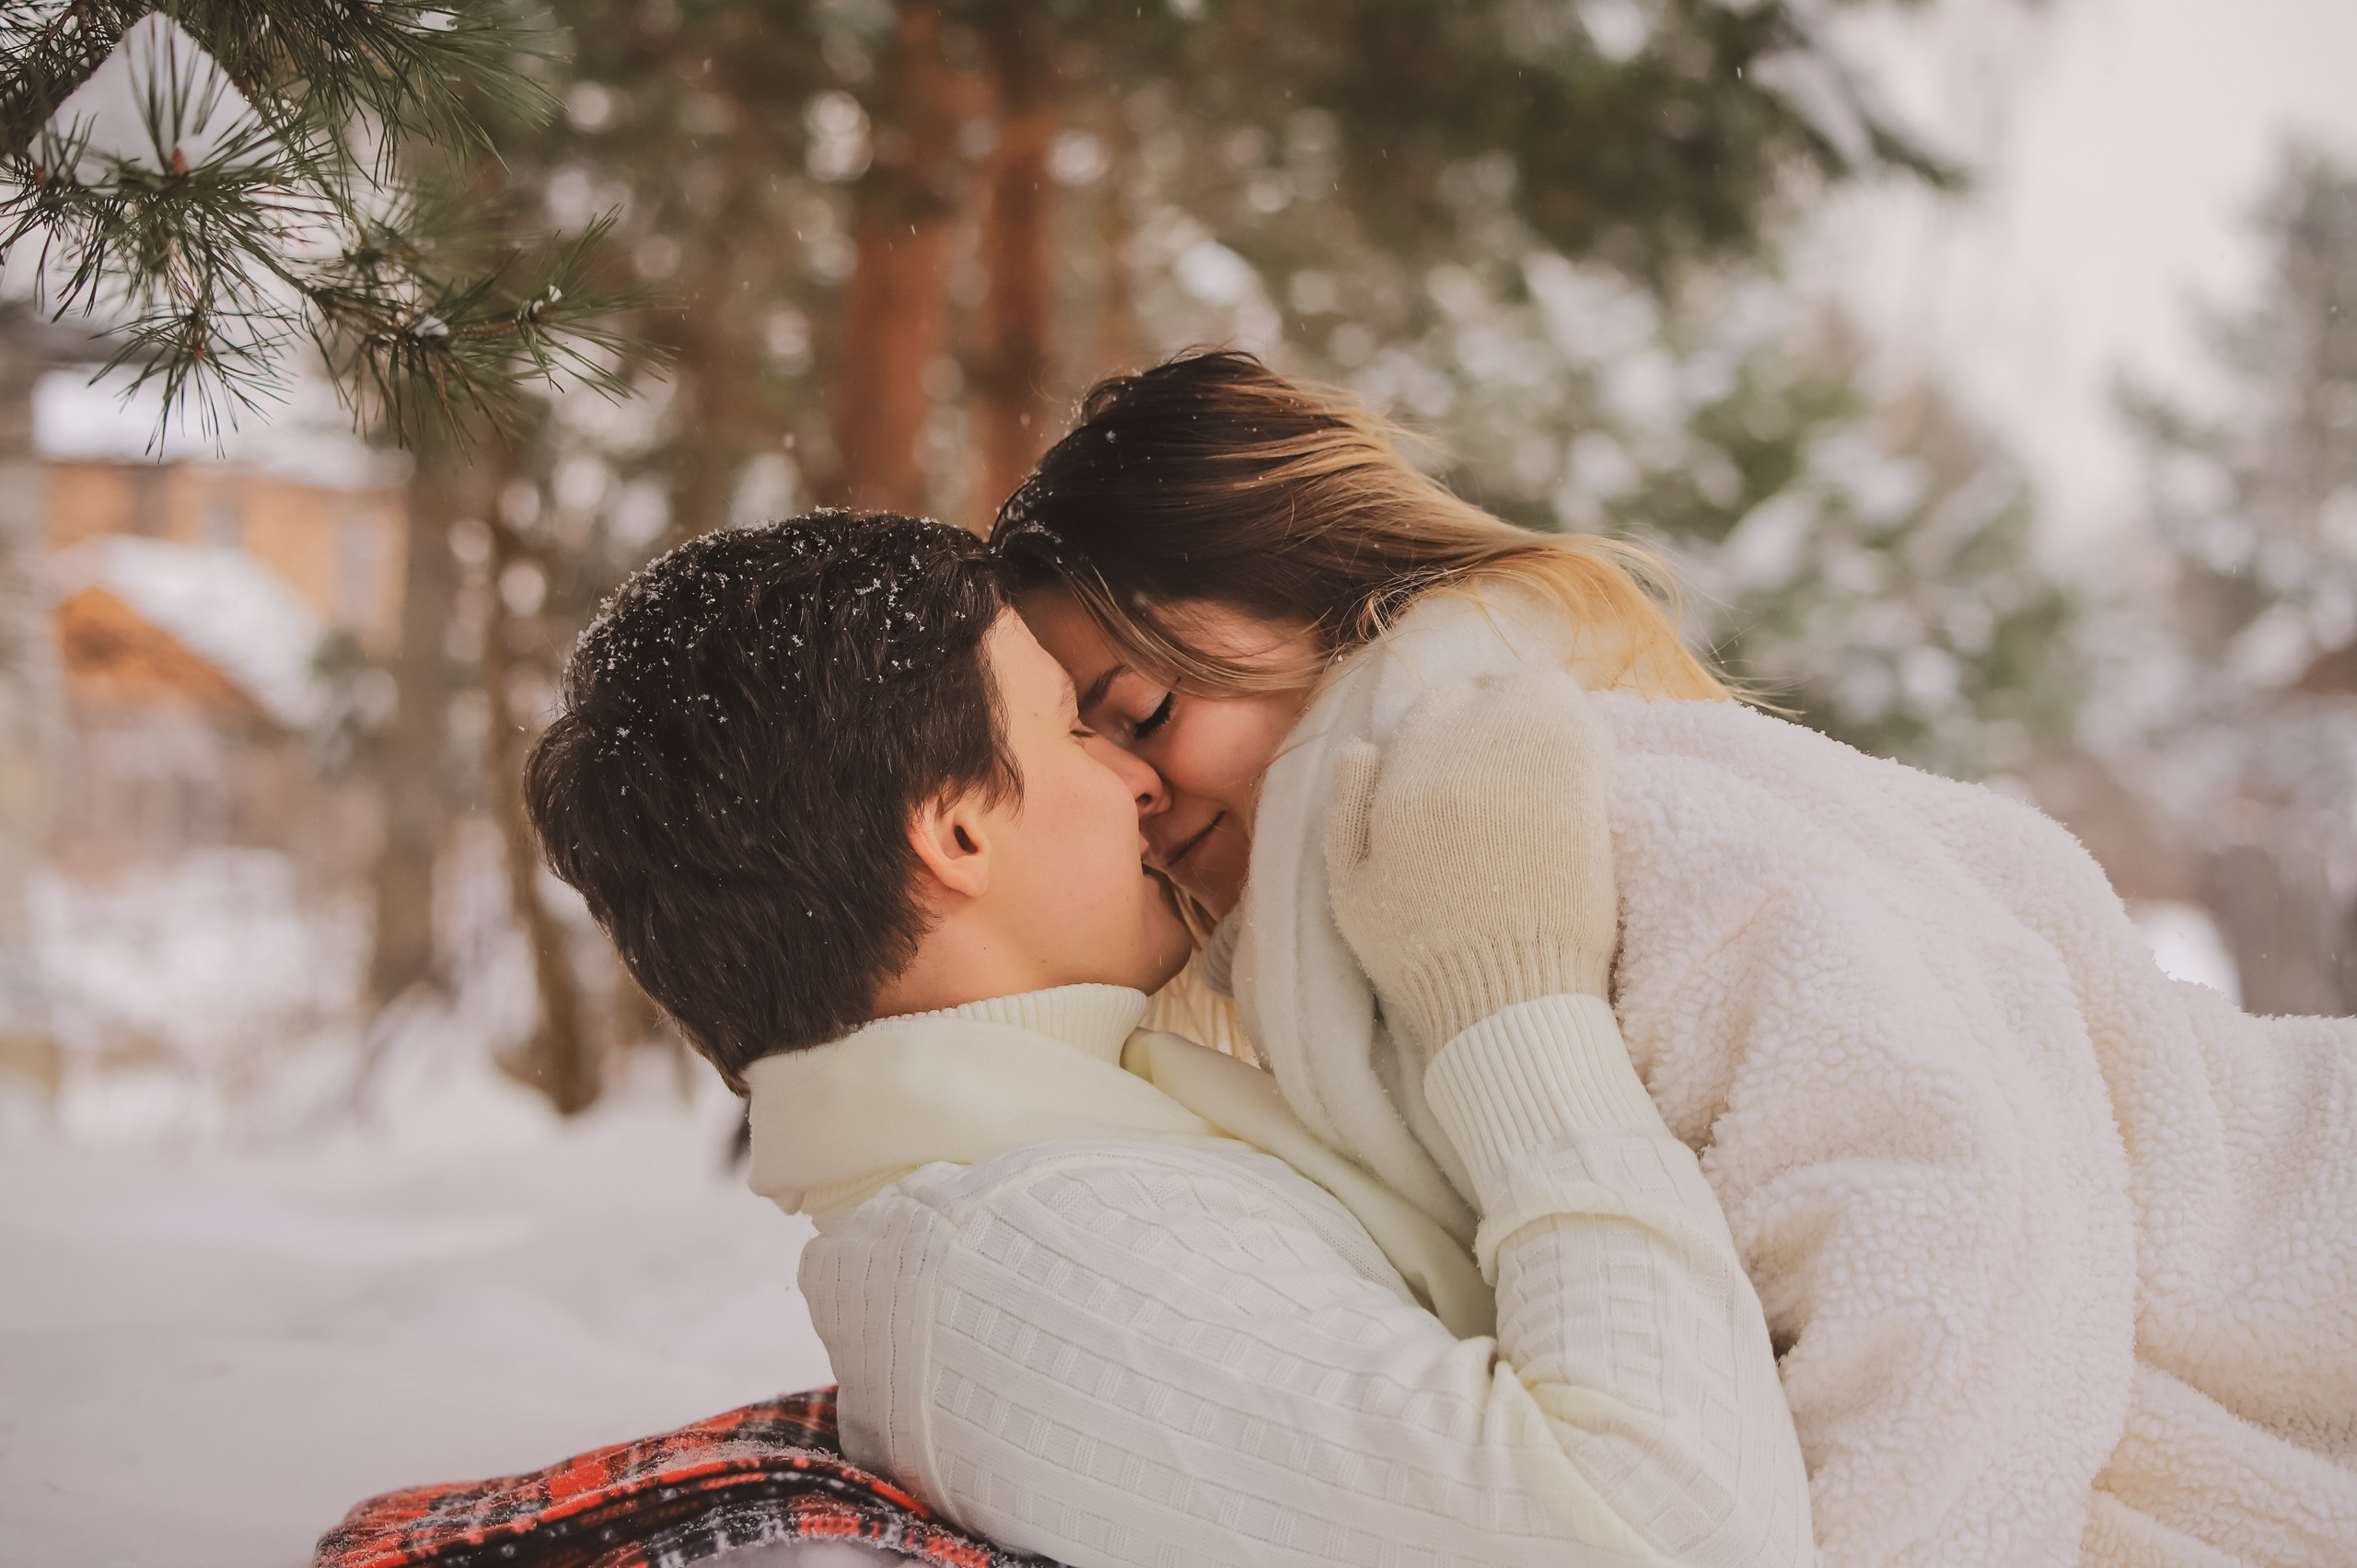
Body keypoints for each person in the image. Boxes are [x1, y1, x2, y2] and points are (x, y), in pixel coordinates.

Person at [995, 351, 2357, 1568]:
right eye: (1078, 749)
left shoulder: (1586, 818)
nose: (1127, 795)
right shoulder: (1358, 955)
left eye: (1144, 712)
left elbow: (1955, 1258)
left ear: (1315, 593)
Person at [523, 511, 1815, 1568]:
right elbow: (1676, 1530)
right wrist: (1509, 1007)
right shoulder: (1021, 1263)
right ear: (959, 830)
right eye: (1076, 723)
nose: (1141, 779)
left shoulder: (1072, 1162)